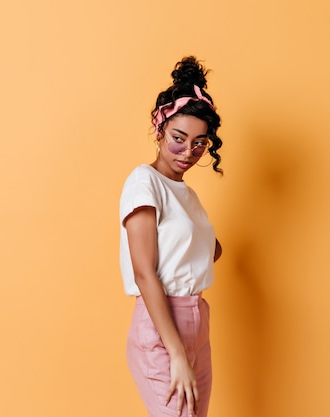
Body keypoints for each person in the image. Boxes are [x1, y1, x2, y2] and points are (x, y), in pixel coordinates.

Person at [119, 56, 223, 417]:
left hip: (197, 321)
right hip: (162, 322)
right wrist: (176, 351)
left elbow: (209, 250)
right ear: (159, 129)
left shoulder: (188, 195)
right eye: (179, 138)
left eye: (199, 143)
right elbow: (144, 272)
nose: (188, 152)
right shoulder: (143, 182)